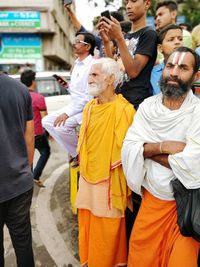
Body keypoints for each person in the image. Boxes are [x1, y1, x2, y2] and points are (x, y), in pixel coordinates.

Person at [122, 47, 200, 267]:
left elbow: (194, 163)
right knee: (140, 259)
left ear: (195, 76)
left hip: (188, 208)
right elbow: (129, 147)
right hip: (152, 202)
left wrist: (146, 150)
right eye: (170, 66)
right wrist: (163, 146)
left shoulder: (197, 112)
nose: (174, 72)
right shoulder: (147, 107)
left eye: (183, 68)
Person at [75, 57, 135, 267]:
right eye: (89, 75)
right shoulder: (89, 108)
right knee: (87, 220)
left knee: (106, 225)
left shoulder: (124, 110)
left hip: (109, 182)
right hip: (87, 177)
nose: (89, 79)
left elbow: (126, 153)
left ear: (110, 79)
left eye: (94, 74)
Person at [42, 32, 96, 166]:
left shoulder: (92, 66)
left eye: (78, 41)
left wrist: (66, 114)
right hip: (75, 105)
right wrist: (67, 86)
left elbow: (87, 96)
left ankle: (79, 153)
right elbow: (76, 92)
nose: (74, 44)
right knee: (46, 121)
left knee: (61, 127)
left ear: (87, 46)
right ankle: (76, 152)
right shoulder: (77, 63)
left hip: (87, 107)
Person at [0, 73, 35, 267]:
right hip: (20, 183)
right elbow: (29, 137)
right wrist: (26, 171)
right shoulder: (20, 90)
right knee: (23, 244)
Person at [99, 0, 157, 110]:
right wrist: (106, 41)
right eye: (127, 2)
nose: (128, 6)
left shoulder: (149, 34)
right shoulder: (125, 37)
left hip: (135, 105)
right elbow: (113, 70)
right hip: (119, 101)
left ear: (147, 4)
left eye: (134, 1)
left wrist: (119, 37)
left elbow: (133, 72)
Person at [20, 69, 50, 187]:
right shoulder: (38, 98)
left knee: (28, 155)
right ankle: (35, 176)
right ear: (33, 82)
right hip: (37, 134)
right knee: (45, 152)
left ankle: (28, 179)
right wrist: (50, 133)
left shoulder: (19, 96)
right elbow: (45, 118)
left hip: (22, 134)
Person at [151, 24, 183, 95]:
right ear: (160, 48)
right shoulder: (152, 73)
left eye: (180, 39)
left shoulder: (191, 70)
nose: (178, 42)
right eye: (171, 39)